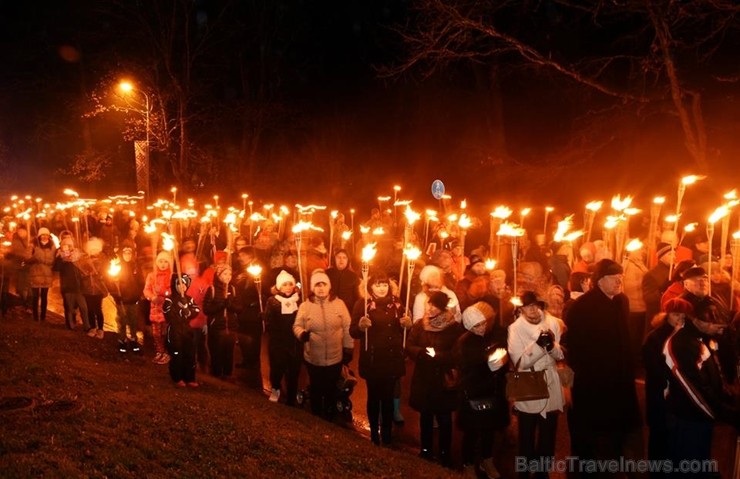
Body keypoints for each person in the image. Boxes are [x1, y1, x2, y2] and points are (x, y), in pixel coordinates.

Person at [564, 259, 642, 477]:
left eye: (621, 277)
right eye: (614, 277)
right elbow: (576, 350)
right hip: (593, 381)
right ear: (599, 280)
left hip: (620, 380)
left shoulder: (622, 301)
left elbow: (625, 340)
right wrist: (571, 383)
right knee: (592, 435)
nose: (619, 281)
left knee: (617, 434)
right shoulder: (581, 308)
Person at [664, 266, 740, 476]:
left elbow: (714, 370)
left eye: (704, 279)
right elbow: (692, 386)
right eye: (715, 325)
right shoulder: (681, 342)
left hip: (702, 414)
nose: (720, 329)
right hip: (688, 414)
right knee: (688, 462)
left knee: (700, 461)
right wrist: (722, 412)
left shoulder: (703, 338)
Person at [508, 291, 565, 479]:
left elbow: (560, 356)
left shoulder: (553, 323)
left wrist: (552, 347)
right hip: (529, 383)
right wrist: (540, 346)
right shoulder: (515, 328)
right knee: (526, 434)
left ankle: (542, 472)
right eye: (528, 306)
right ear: (522, 309)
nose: (532, 310)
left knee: (548, 436)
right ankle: (524, 472)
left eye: (535, 305)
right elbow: (520, 363)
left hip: (550, 382)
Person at [350, 271, 410, 446]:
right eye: (377, 284)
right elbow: (353, 331)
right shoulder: (363, 304)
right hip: (374, 358)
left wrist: (408, 325)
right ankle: (374, 433)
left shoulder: (398, 304)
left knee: (389, 398)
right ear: (370, 287)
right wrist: (361, 326)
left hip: (392, 357)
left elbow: (405, 332)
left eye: (384, 285)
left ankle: (387, 433)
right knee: (375, 396)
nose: (382, 288)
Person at [406, 290, 465, 467]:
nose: (430, 308)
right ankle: (425, 450)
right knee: (425, 414)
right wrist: (420, 353)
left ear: (442, 308)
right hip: (424, 377)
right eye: (429, 304)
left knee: (444, 417)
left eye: (435, 306)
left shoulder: (453, 327)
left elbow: (457, 353)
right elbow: (410, 345)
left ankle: (445, 453)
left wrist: (437, 356)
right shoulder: (419, 325)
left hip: (442, 378)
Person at [455, 301, 509, 479]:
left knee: (489, 430)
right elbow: (468, 368)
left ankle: (487, 460)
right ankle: (468, 463)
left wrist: (501, 362)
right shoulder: (465, 343)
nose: (481, 328)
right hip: (473, 394)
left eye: (483, 323)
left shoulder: (492, 336)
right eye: (476, 325)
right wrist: (488, 364)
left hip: (491, 392)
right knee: (471, 432)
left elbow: (502, 354)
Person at [293, 269, 354, 420]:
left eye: (324, 285)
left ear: (329, 287)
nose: (321, 288)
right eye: (317, 285)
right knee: (316, 387)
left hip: (335, 356)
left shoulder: (339, 304)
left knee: (331, 388)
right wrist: (302, 334)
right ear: (313, 288)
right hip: (314, 357)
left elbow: (347, 327)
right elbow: (297, 325)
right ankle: (316, 415)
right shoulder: (305, 306)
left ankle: (330, 414)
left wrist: (348, 348)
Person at [642, 297, 690, 478]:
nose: (680, 319)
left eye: (683, 315)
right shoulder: (654, 338)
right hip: (660, 394)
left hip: (677, 396)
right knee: (659, 435)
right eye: (676, 314)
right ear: (666, 315)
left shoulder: (685, 335)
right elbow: (654, 368)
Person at [264, 270, 302, 405]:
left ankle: (291, 396)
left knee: (293, 370)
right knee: (277, 367)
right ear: (279, 287)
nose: (288, 287)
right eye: (284, 285)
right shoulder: (273, 301)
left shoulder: (298, 300)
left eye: (290, 284)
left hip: (294, 341)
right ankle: (276, 390)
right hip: (278, 341)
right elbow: (269, 321)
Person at [203, 264, 241, 380]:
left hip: (231, 326)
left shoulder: (233, 289)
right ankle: (216, 373)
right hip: (217, 326)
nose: (228, 276)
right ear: (218, 275)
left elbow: (239, 308)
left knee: (229, 351)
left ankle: (228, 373)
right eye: (225, 274)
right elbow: (207, 309)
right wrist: (221, 305)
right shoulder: (212, 289)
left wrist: (230, 305)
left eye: (230, 274)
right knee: (217, 351)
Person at [164, 273, 201, 388]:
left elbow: (196, 309)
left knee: (189, 354)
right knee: (177, 354)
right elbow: (168, 313)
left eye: (185, 285)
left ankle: (189, 377)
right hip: (175, 330)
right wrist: (180, 312)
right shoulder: (169, 299)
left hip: (186, 330)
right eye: (179, 284)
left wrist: (188, 311)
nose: (182, 287)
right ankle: (177, 377)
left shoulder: (189, 299)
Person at [107, 243, 143, 353]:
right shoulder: (117, 266)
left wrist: (137, 295)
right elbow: (111, 283)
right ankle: (122, 340)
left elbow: (140, 282)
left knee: (133, 321)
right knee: (122, 321)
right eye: (125, 252)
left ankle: (133, 339)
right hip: (121, 300)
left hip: (133, 300)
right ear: (121, 254)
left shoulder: (136, 267)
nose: (127, 255)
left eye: (129, 252)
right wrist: (115, 294)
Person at [53, 236, 91, 332]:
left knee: (83, 307)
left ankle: (87, 326)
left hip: (78, 286)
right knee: (69, 308)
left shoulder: (77, 256)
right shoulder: (60, 256)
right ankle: (70, 325)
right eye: (65, 246)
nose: (67, 248)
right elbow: (56, 268)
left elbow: (84, 267)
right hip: (68, 287)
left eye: (69, 246)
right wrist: (61, 258)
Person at [144, 251, 173, 365]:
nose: (163, 264)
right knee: (156, 333)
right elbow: (146, 289)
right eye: (161, 261)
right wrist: (151, 297)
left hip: (166, 309)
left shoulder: (171, 276)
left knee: (165, 332)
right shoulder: (151, 275)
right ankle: (159, 351)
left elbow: (171, 291)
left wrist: (162, 293)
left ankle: (166, 352)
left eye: (166, 261)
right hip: (155, 308)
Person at [80, 238, 109, 339]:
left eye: (95, 249)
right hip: (87, 288)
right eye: (91, 249)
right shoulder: (84, 261)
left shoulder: (102, 261)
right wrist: (85, 274)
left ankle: (100, 329)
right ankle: (93, 327)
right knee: (90, 309)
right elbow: (81, 273)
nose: (93, 251)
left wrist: (100, 274)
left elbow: (105, 273)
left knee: (98, 309)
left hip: (98, 289)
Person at [28, 227, 56, 322]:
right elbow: (28, 257)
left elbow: (53, 259)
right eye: (42, 235)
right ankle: (35, 316)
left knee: (44, 296)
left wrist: (44, 261)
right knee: (35, 297)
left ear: (49, 236)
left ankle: (43, 316)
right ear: (39, 236)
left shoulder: (52, 246)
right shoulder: (33, 245)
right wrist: (33, 257)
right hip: (36, 273)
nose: (44, 237)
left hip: (46, 275)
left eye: (46, 235)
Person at [326, 249, 360, 314]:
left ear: (348, 260)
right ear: (335, 259)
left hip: (347, 310)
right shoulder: (327, 274)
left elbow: (356, 296)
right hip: (330, 309)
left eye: (344, 258)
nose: (341, 260)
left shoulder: (353, 276)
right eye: (339, 257)